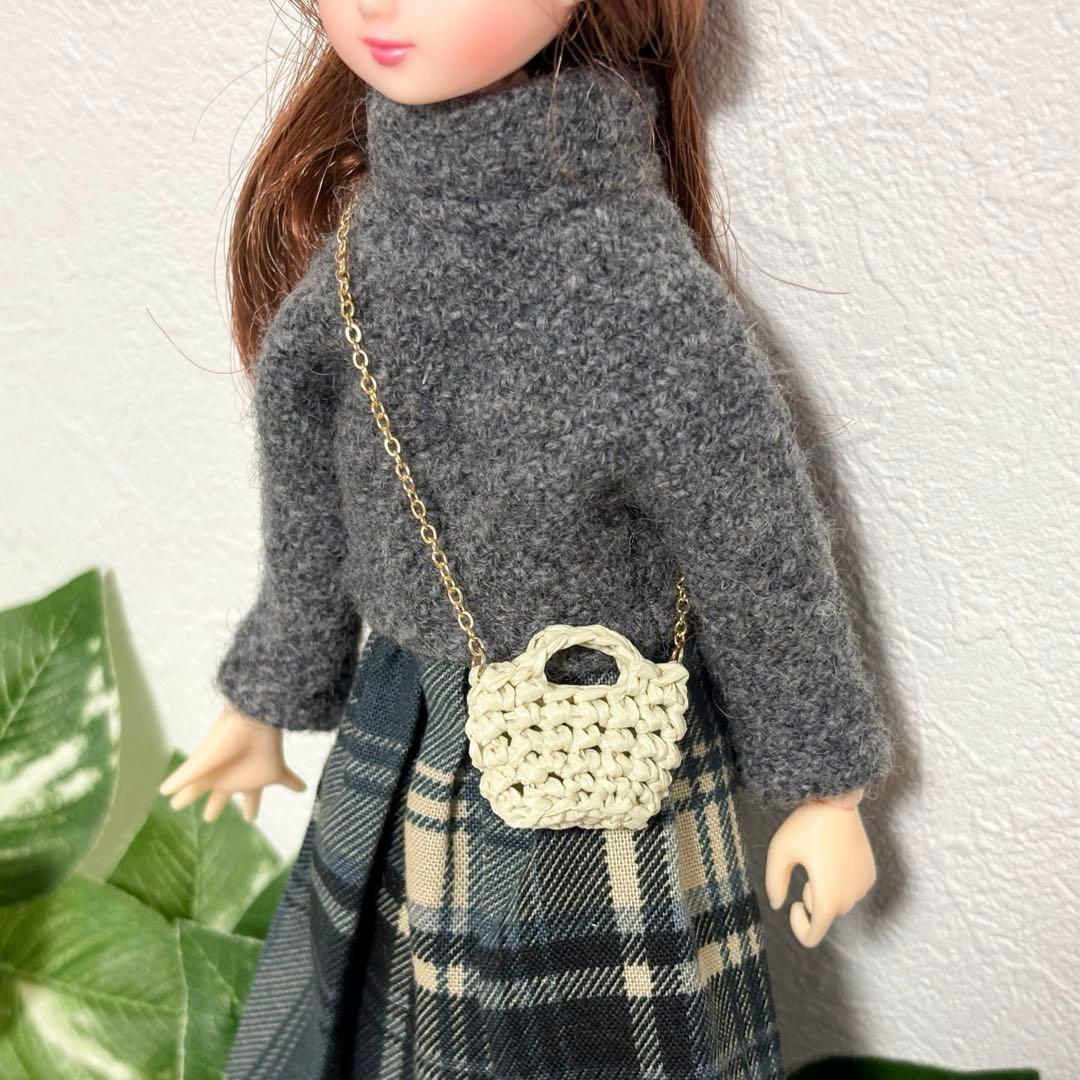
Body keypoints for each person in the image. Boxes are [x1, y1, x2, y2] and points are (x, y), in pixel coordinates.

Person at [160, 1, 894, 1076]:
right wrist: (275, 682)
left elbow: (758, 552)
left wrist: (825, 788)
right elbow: (308, 485)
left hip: (599, 756)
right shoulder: (358, 257)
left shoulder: (642, 289)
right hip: (401, 723)